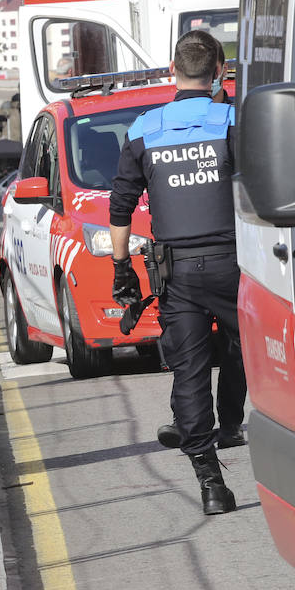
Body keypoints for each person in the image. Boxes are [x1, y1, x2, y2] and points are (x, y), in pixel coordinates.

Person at [108, 31, 245, 516]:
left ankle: (211, 485)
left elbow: (121, 205)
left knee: (189, 370)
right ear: (219, 71)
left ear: (172, 70)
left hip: (177, 273)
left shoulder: (144, 129)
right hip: (236, 265)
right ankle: (232, 423)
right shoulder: (234, 120)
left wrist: (121, 268)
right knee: (245, 347)